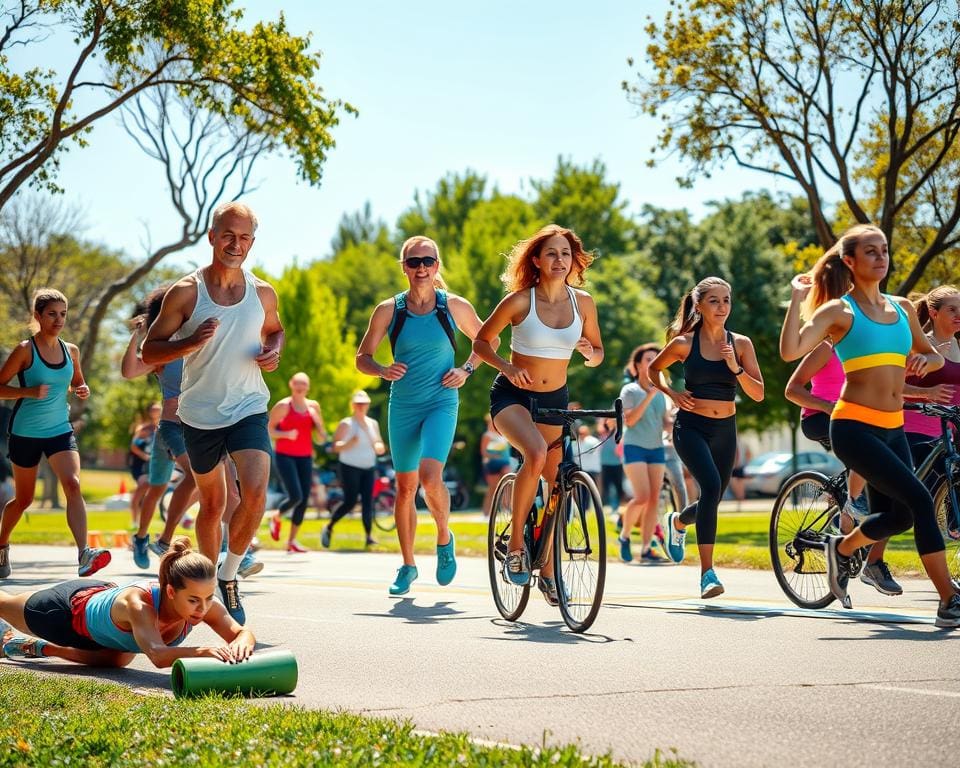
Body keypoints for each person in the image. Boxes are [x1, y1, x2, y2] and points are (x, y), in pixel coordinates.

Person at [780, 224, 960, 626]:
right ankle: (949, 599)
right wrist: (797, 298)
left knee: (899, 517)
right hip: (853, 427)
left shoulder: (901, 308)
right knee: (919, 499)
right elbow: (791, 349)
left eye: (884, 251)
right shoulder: (839, 311)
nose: (881, 258)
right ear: (850, 261)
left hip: (893, 427)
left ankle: (843, 550)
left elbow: (931, 354)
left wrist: (926, 361)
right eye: (871, 252)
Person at [142, 201, 283, 624]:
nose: (235, 244)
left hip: (248, 406)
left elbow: (275, 330)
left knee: (255, 489)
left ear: (252, 243)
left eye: (243, 238)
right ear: (212, 236)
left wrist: (273, 351)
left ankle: (229, 573)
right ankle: (204, 583)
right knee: (213, 502)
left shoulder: (263, 293)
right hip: (199, 414)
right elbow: (150, 350)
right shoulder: (186, 292)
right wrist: (188, 344)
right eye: (227, 235)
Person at [473, 224, 604, 604]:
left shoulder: (585, 303)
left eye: (565, 253)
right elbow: (481, 342)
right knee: (534, 454)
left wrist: (588, 352)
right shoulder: (519, 302)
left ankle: (547, 569)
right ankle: (516, 548)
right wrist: (506, 367)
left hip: (555, 400)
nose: (559, 260)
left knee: (559, 483)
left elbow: (598, 354)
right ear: (536, 260)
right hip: (512, 397)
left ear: (573, 260)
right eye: (551, 253)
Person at [356, 236, 485, 595]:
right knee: (404, 489)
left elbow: (486, 341)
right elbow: (362, 357)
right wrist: (381, 370)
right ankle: (408, 565)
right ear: (405, 268)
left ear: (437, 266)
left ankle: (444, 538)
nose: (421, 267)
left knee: (430, 478)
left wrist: (467, 370)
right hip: (403, 405)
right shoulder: (389, 310)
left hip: (442, 401)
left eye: (428, 260)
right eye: (414, 262)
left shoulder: (453, 306)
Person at [122, 289, 261, 578]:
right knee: (178, 482)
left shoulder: (199, 343)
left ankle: (236, 553)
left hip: (204, 427)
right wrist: (137, 336)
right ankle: (151, 538)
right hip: (173, 428)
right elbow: (129, 371)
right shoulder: (164, 351)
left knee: (228, 491)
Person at [650, 276, 765, 598]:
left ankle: (677, 522)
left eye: (726, 300)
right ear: (699, 305)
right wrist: (671, 393)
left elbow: (758, 394)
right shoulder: (684, 343)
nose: (722, 307)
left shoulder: (741, 344)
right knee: (711, 487)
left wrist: (736, 368)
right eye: (714, 300)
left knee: (712, 497)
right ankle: (707, 574)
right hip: (691, 428)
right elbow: (653, 369)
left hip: (725, 430)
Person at [0, 536, 254, 668]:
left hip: (103, 599)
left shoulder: (204, 604)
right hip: (62, 612)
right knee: (5, 604)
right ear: (171, 592)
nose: (203, 607)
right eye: (194, 600)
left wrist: (241, 643)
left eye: (209, 597)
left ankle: (31, 647)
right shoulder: (140, 604)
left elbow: (241, 632)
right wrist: (204, 651)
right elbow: (158, 656)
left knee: (118, 660)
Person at [0, 288, 110, 580]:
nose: (59, 319)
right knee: (23, 500)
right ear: (37, 316)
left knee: (73, 484)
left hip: (59, 429)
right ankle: (1, 544)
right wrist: (27, 391)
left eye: (63, 314)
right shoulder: (25, 349)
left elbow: (77, 382)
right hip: (25, 432)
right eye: (52, 314)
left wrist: (82, 389)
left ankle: (84, 553)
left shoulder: (70, 350)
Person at [783, 339, 904, 594]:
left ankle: (845, 521)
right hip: (821, 418)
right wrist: (828, 406)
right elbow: (792, 391)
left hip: (859, 419)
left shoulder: (867, 347)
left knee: (891, 484)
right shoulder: (827, 348)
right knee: (863, 448)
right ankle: (853, 506)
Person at [618, 344, 671, 563]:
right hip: (634, 447)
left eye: (656, 359)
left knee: (653, 500)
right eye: (648, 359)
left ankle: (647, 548)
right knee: (642, 497)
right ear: (638, 365)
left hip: (656, 448)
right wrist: (650, 394)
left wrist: (675, 421)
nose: (653, 363)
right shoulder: (630, 391)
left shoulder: (662, 393)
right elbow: (629, 420)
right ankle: (625, 535)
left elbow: (665, 422)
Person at [904, 286, 960, 484]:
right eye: (952, 310)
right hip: (914, 434)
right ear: (934, 313)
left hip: (946, 435)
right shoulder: (920, 347)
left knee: (951, 502)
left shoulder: (957, 345)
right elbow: (890, 385)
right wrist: (927, 393)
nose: (959, 314)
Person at [267, 372, 328, 553]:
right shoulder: (283, 406)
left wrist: (318, 425)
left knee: (303, 500)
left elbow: (321, 438)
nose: (300, 387)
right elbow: (269, 430)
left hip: (305, 456)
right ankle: (276, 517)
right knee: (296, 496)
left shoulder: (313, 406)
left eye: (304, 384)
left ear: (308, 387)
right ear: (291, 385)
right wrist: (286, 434)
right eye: (297, 384)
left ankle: (291, 542)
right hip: (285, 455)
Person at [322, 390, 385, 547]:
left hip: (368, 467)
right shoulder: (346, 423)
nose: (361, 406)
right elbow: (334, 447)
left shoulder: (372, 424)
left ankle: (369, 536)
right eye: (358, 404)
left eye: (364, 404)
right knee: (350, 502)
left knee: (367, 502)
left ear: (368, 405)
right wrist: (348, 443)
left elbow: (380, 445)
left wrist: (377, 446)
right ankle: (329, 527)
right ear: (353, 405)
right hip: (349, 467)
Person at [128, 404, 159, 526]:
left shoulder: (164, 427)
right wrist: (146, 457)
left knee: (150, 492)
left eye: (158, 410)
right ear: (149, 412)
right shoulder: (144, 428)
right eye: (154, 410)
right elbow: (134, 447)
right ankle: (135, 521)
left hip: (156, 464)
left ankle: (142, 521)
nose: (156, 412)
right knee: (142, 487)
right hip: (141, 465)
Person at [480, 413, 513, 518]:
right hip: (492, 464)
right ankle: (486, 514)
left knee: (507, 484)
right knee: (492, 489)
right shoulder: (487, 435)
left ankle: (507, 509)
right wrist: (496, 454)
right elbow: (484, 452)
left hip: (504, 464)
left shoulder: (504, 435)